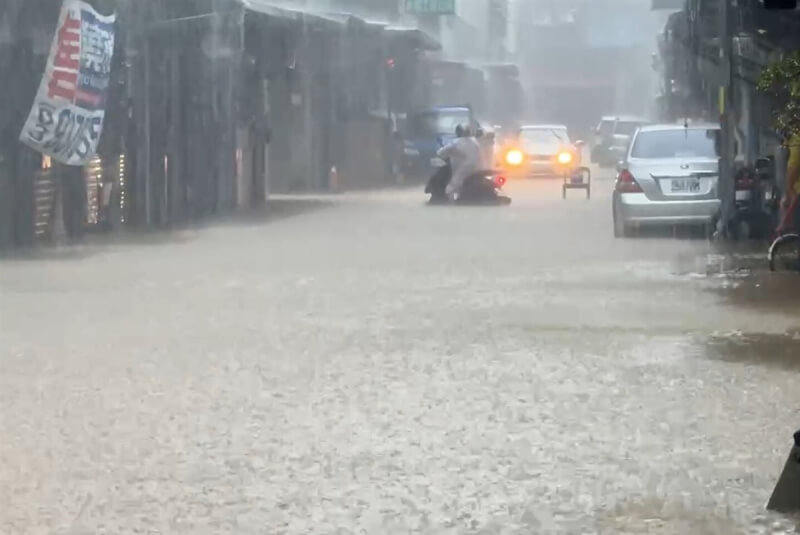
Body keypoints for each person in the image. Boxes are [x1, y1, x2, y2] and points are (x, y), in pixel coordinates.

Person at [437, 124, 483, 201]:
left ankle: (449, 202)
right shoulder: (475, 141)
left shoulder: (456, 142)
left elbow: (441, 152)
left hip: (463, 168)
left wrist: (440, 152)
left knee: (451, 186)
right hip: (477, 168)